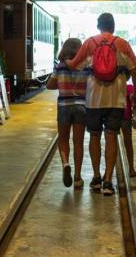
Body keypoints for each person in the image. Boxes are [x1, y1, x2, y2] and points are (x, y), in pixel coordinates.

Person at [67, 13, 136, 196]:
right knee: (111, 136)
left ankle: (96, 177)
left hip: (94, 99)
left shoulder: (90, 43)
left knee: (94, 136)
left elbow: (74, 65)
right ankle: (108, 181)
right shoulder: (122, 43)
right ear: (113, 26)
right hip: (116, 99)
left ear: (98, 26)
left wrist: (65, 60)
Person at [47, 38, 89, 189]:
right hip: (81, 106)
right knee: (78, 143)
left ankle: (65, 164)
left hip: (64, 106)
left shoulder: (59, 66)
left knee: (63, 139)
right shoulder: (85, 66)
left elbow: (50, 85)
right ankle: (78, 177)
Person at [122, 83, 136, 178]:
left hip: (114, 117)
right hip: (126, 117)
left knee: (112, 144)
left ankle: (108, 171)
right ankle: (131, 169)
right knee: (128, 144)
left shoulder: (112, 85)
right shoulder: (129, 87)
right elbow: (133, 99)